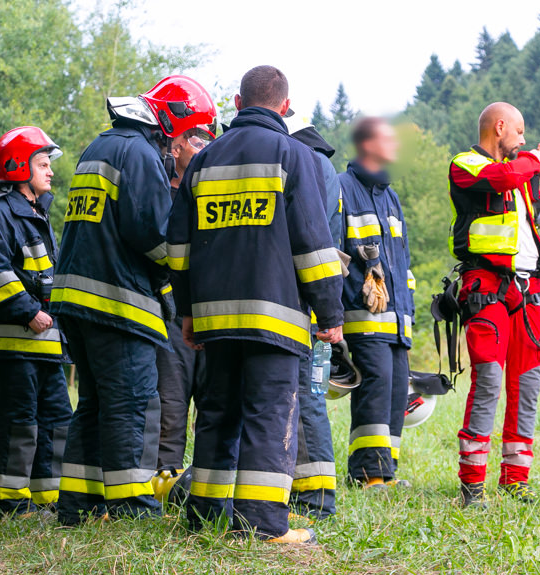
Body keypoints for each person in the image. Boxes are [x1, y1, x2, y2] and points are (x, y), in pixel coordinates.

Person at [167, 65, 344, 544]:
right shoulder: (294, 156)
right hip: (274, 320)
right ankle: (263, 528)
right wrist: (330, 316)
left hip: (213, 322)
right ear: (285, 108)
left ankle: (203, 518)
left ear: (238, 104)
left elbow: (177, 249)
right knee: (269, 417)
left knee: (217, 414)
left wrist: (187, 313)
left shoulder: (204, 161)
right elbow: (314, 246)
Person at [50, 76, 218, 525]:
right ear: (170, 122)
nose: (183, 146)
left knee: (95, 404)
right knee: (133, 405)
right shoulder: (141, 154)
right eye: (188, 136)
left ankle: (79, 506)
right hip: (116, 305)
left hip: (77, 303)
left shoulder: (101, 146)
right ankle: (132, 508)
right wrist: (185, 270)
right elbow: (151, 233)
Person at [449, 102, 540, 507]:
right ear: (499, 127)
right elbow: (502, 177)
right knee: (489, 382)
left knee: (528, 384)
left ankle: (516, 479)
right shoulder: (466, 165)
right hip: (486, 289)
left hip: (531, 292)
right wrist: (534, 159)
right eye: (518, 132)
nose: (522, 140)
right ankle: (472, 487)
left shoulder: (522, 177)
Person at [0, 126, 73, 517]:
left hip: (46, 348)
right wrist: (29, 313)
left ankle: (50, 502)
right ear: (18, 168)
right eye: (43, 164)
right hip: (13, 345)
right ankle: (11, 508)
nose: (51, 172)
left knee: (56, 423)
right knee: (18, 426)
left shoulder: (38, 215)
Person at [338, 117, 415, 490]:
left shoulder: (391, 196)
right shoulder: (342, 189)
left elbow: (403, 262)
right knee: (375, 387)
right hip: (364, 318)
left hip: (398, 321)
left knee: (397, 389)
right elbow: (334, 256)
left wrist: (408, 313)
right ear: (368, 145)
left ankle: (387, 470)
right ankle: (367, 474)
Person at [283, 110, 341, 520]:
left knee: (304, 395)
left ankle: (315, 499)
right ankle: (307, 492)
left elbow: (307, 239)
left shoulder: (305, 162)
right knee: (306, 394)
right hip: (312, 295)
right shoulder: (322, 163)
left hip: (298, 296)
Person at [152, 127, 212, 488]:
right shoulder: (160, 190)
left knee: (213, 401)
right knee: (171, 401)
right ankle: (165, 478)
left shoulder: (211, 188)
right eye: (196, 139)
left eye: (207, 140)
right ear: (175, 146)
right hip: (172, 311)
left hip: (214, 311)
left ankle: (205, 479)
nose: (203, 147)